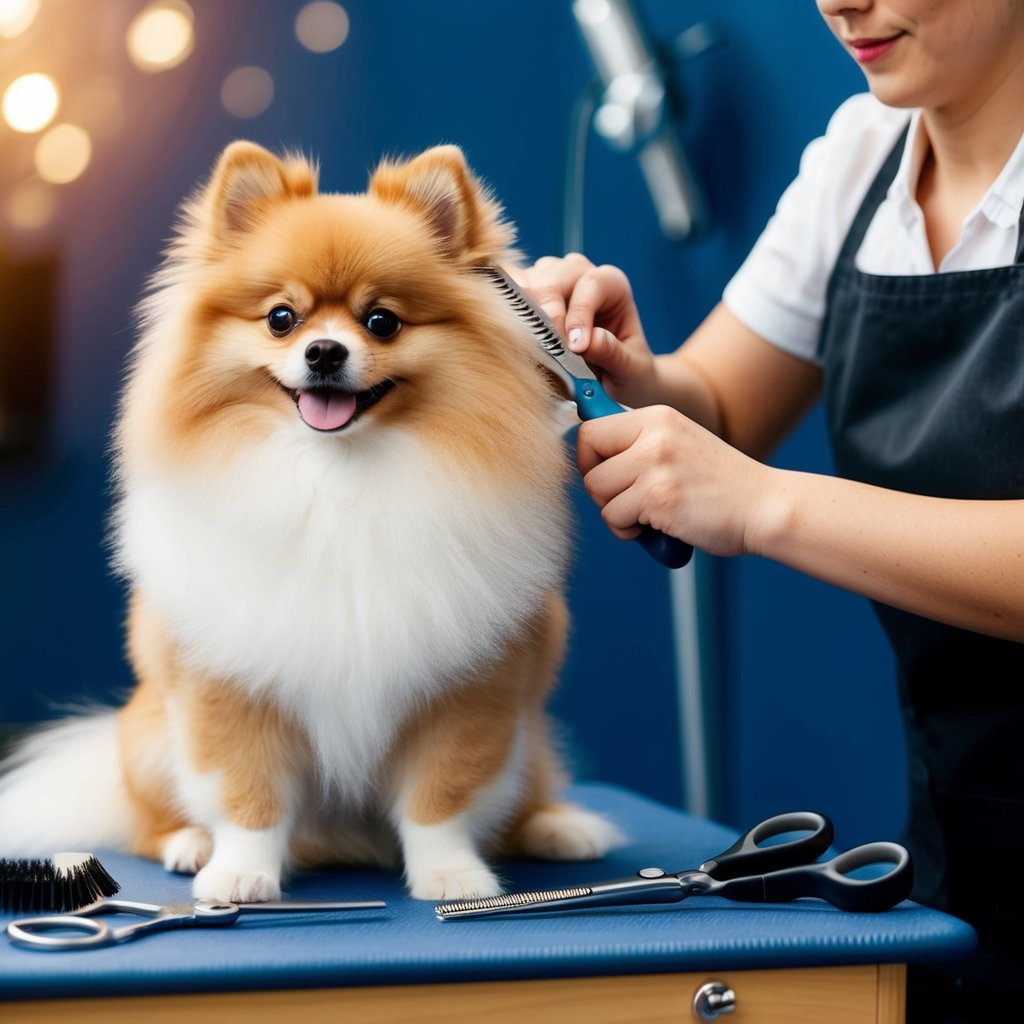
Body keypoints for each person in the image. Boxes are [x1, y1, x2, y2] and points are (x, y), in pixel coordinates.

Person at [516, 1, 1024, 1018]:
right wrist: (620, 370)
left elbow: (742, 483)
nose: (842, 2)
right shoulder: (862, 157)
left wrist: (760, 507)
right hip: (962, 862)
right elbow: (718, 405)